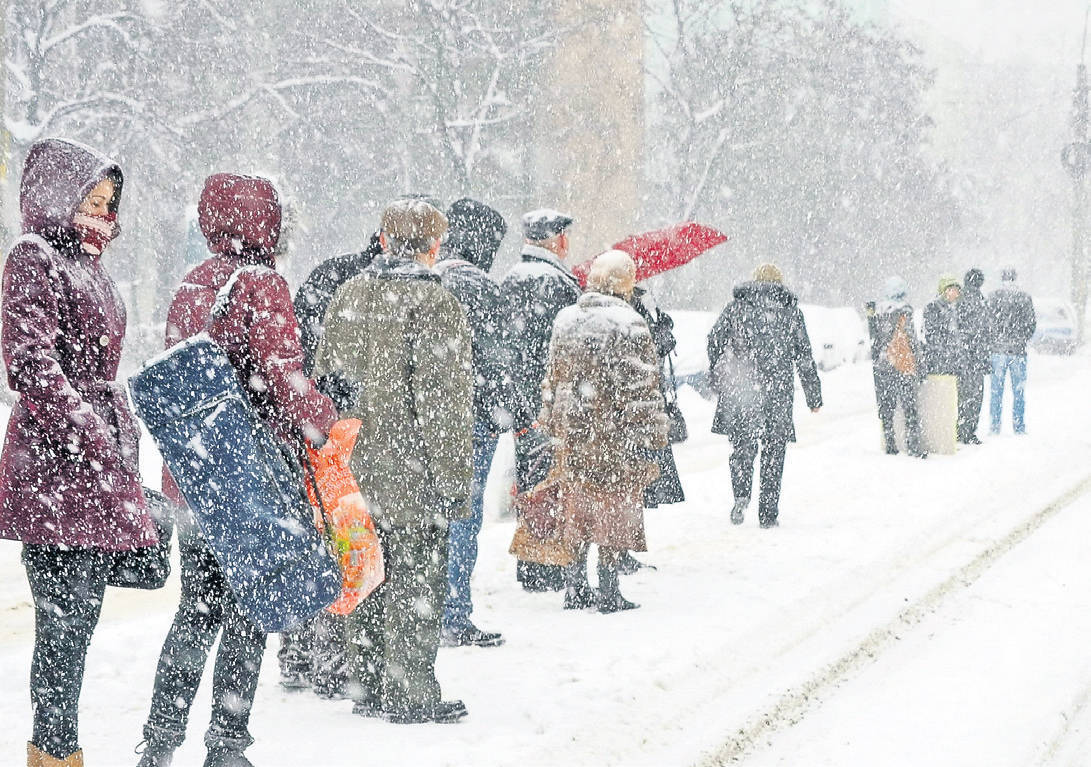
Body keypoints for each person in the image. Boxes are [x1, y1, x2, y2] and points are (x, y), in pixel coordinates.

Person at [136, 174, 337, 767]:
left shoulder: (192, 282)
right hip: (249, 481)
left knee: (195, 611)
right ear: (264, 222)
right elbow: (283, 374)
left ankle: (159, 740)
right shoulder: (262, 283)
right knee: (251, 607)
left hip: (196, 481)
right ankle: (226, 744)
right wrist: (326, 407)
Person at [0, 138, 158, 767]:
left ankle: (57, 750)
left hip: (92, 462)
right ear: (57, 194)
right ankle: (55, 753)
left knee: (78, 624)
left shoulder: (89, 263)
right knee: (62, 628)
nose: (100, 210)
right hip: (55, 466)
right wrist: (90, 434)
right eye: (89, 197)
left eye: (107, 200)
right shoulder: (33, 258)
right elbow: (33, 365)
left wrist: (116, 441)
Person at [314, 198, 473, 724]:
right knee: (417, 582)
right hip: (413, 471)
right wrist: (454, 479)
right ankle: (411, 693)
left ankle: (368, 684)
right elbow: (443, 404)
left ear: (383, 240)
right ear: (434, 246)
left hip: (351, 472)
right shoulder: (435, 304)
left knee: (365, 573)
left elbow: (325, 385)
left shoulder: (348, 295)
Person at [540, 251, 668, 612]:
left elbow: (552, 377)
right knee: (613, 508)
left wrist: (552, 421)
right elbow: (641, 387)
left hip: (573, 433)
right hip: (613, 432)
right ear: (624, 281)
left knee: (577, 507)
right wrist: (651, 435)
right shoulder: (627, 322)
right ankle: (609, 588)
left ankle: (575, 586)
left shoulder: (565, 319)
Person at [434, 197, 524, 647]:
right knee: (462, 517)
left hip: (422, 418)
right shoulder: (480, 287)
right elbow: (498, 363)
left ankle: (421, 613)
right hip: (469, 419)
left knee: (424, 519)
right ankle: (453, 613)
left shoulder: (427, 277)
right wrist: (509, 414)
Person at [501, 208, 581, 592]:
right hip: (547, 399)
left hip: (521, 399)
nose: (567, 244)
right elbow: (560, 347)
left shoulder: (513, 278)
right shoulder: (556, 284)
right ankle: (545, 566)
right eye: (564, 236)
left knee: (531, 480)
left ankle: (533, 563)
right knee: (550, 483)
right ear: (555, 239)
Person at [707, 264, 822, 529]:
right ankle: (768, 515)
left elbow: (714, 339)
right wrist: (813, 396)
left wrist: (722, 368)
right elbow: (804, 357)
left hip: (742, 389)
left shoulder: (736, 308)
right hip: (777, 392)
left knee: (742, 447)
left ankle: (741, 495)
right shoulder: (791, 312)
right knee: (774, 453)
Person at [866, 276, 927, 458]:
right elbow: (912, 339)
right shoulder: (905, 310)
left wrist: (870, 316)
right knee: (910, 408)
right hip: (903, 364)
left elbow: (874, 341)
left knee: (887, 407)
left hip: (884, 366)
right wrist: (920, 364)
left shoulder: (878, 311)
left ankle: (890, 444)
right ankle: (913, 446)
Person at [988, 268, 1036, 434]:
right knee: (1019, 392)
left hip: (997, 351)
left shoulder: (993, 297)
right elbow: (1031, 324)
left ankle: (995, 427)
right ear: (1016, 278)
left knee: (996, 392)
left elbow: (987, 323)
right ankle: (1019, 426)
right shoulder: (1024, 297)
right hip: (1018, 352)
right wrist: (1021, 339)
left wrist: (994, 339)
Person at [956, 268, 992, 444]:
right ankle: (969, 431)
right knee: (976, 396)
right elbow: (986, 331)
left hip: (962, 356)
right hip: (977, 357)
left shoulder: (959, 299)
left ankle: (960, 429)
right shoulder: (982, 301)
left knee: (962, 395)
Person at [923, 276, 964, 378]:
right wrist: (944, 354)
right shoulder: (933, 308)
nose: (957, 294)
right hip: (940, 361)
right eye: (954, 290)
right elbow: (932, 335)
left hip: (952, 361)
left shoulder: (954, 308)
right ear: (946, 291)